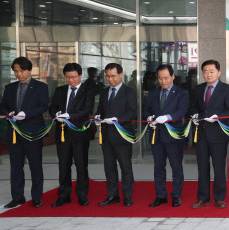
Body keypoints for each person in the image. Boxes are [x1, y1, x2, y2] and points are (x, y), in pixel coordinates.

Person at [1, 57, 48, 208]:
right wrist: (10, 113)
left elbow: (43, 106)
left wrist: (25, 114)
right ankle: (17, 196)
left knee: (35, 165)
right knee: (15, 166)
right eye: (16, 71)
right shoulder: (10, 88)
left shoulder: (40, 87)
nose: (19, 74)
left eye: (21, 71)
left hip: (32, 131)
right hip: (14, 132)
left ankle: (36, 197)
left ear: (29, 70)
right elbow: (3, 106)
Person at [48, 63, 96, 207]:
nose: (71, 80)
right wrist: (56, 114)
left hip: (79, 134)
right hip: (62, 134)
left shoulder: (88, 90)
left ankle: (82, 195)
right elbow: (52, 108)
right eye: (68, 77)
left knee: (81, 165)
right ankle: (64, 195)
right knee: (63, 166)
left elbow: (86, 110)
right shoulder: (60, 90)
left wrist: (69, 115)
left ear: (80, 76)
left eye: (74, 77)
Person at [190, 60, 229, 209]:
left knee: (219, 168)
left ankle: (219, 197)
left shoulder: (227, 89)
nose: (208, 74)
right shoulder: (198, 89)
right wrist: (195, 115)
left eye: (211, 71)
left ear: (219, 72)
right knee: (202, 168)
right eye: (205, 71)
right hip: (201, 133)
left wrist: (218, 116)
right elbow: (193, 108)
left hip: (218, 135)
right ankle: (203, 198)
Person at [143, 64, 190, 208]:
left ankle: (176, 195)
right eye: (160, 78)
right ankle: (161, 195)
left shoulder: (182, 93)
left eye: (166, 78)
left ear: (173, 77)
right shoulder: (153, 93)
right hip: (156, 136)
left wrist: (168, 117)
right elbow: (146, 110)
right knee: (158, 167)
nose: (163, 81)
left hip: (173, 137)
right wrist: (149, 118)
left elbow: (182, 110)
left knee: (176, 167)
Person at [96, 63, 138, 207]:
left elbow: (133, 112)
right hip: (107, 135)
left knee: (125, 167)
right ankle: (112, 195)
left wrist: (117, 120)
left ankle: (127, 197)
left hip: (122, 135)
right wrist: (97, 117)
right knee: (109, 167)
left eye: (113, 76)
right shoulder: (104, 92)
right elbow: (100, 110)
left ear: (121, 75)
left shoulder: (130, 92)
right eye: (107, 76)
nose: (110, 79)